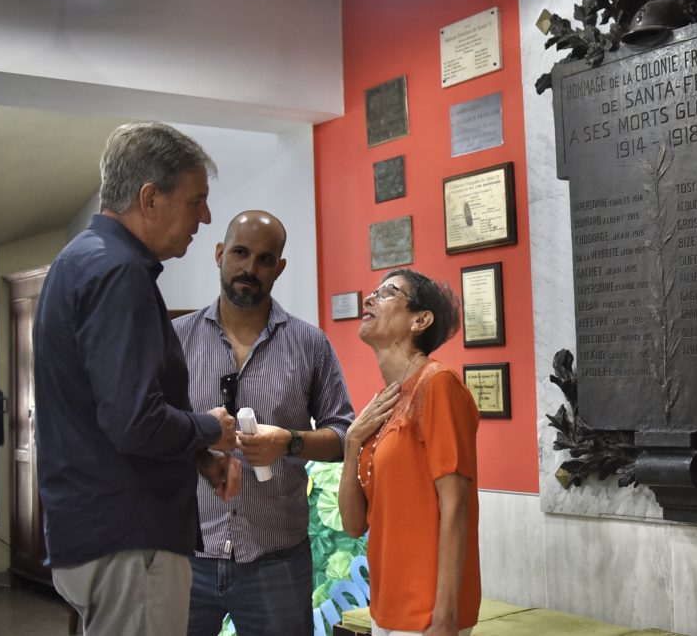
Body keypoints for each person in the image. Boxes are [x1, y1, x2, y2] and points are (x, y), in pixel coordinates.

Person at [33, 122, 241, 636]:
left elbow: (106, 408)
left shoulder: (79, 260)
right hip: (129, 537)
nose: (205, 217)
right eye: (196, 201)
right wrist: (210, 429)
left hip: (99, 528)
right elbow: (133, 420)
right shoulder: (119, 272)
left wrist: (197, 455)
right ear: (150, 199)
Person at [173, 210, 355, 636]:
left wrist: (289, 441)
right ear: (219, 254)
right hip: (187, 554)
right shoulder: (176, 339)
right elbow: (151, 429)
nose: (249, 269)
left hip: (276, 559)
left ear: (280, 267)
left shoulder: (310, 343)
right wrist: (199, 444)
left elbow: (344, 436)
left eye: (265, 259)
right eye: (240, 253)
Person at [339, 269, 481, 636]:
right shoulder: (384, 404)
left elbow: (456, 505)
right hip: (385, 607)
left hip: (427, 612)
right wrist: (352, 442)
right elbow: (354, 525)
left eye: (387, 292)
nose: (369, 298)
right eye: (373, 291)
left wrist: (445, 616)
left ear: (420, 320)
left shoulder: (438, 384)